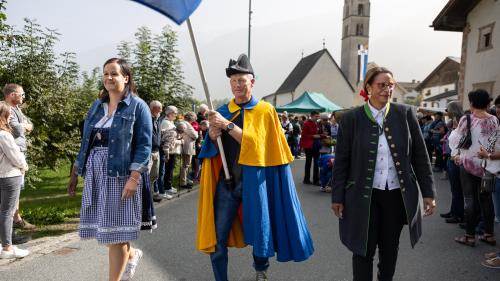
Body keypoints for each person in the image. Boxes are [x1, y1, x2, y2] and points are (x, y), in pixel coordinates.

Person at [196, 54, 314, 281]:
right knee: (217, 237)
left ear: (252, 82)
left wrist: (227, 125)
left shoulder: (265, 111)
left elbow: (259, 147)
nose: (237, 85)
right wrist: (211, 136)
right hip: (226, 183)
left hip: (256, 181)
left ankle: (261, 270)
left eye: (242, 80)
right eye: (234, 81)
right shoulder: (222, 110)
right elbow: (210, 149)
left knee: (261, 231)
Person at [331, 67, 436, 281]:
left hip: (395, 195)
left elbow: (420, 156)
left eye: (390, 85)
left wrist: (429, 193)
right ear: (368, 87)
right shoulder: (351, 119)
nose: (387, 89)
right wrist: (337, 197)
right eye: (381, 85)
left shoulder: (405, 113)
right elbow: (341, 162)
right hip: (362, 196)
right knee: (363, 248)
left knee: (390, 248)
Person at [67, 58, 154, 281]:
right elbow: (86, 142)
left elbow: (145, 145)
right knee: (107, 230)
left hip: (120, 174)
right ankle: (132, 254)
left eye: (114, 74)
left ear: (126, 77)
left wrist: (134, 177)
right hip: (96, 172)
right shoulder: (97, 106)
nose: (108, 78)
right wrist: (76, 172)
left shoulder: (138, 106)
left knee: (115, 234)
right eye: (106, 73)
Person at [449, 89, 498, 247]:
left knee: (469, 199)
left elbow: (455, 139)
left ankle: (469, 236)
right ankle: (488, 235)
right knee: (486, 200)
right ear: (487, 103)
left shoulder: (467, 119)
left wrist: (456, 154)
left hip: (469, 163)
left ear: (471, 103)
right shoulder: (494, 120)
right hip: (487, 164)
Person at [2, 84, 35, 244]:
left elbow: (30, 124)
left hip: (18, 154)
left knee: (14, 195)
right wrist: (24, 127)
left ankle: (14, 225)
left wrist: (25, 126)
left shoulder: (17, 109)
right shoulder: (5, 109)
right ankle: (10, 237)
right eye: (22, 94)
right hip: (13, 157)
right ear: (12, 94)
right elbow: (16, 129)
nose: (23, 97)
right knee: (9, 198)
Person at [0, 101, 29, 259]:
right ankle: (8, 247)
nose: (11, 116)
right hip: (10, 176)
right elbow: (15, 156)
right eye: (9, 114)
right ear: (3, 115)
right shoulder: (4, 135)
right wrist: (24, 166)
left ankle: (4, 245)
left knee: (2, 211)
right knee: (7, 212)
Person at [440, 101, 464, 224]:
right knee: (454, 189)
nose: (446, 112)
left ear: (453, 110)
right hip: (451, 158)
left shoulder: (461, 121)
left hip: (456, 159)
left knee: (457, 189)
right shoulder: (454, 122)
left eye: (448, 109)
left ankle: (458, 214)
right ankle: (454, 211)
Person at [159, 105, 180, 199]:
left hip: (172, 149)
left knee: (170, 168)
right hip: (168, 150)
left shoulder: (170, 122)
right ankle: (166, 187)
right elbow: (167, 139)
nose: (176, 115)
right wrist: (179, 141)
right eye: (174, 113)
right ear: (170, 113)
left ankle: (168, 186)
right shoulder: (166, 123)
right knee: (167, 169)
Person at [300, 111, 321, 185]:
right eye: (316, 116)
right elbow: (303, 135)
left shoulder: (317, 124)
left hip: (315, 146)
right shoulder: (306, 124)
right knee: (308, 163)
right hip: (309, 146)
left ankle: (316, 180)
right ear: (311, 116)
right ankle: (306, 179)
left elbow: (317, 134)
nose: (317, 118)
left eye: (318, 116)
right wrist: (313, 136)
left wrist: (323, 135)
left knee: (316, 163)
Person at [180, 112, 198, 190]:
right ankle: (183, 182)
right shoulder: (187, 124)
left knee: (186, 165)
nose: (194, 119)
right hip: (187, 146)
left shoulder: (184, 123)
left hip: (185, 146)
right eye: (194, 118)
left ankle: (185, 180)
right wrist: (196, 133)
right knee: (186, 165)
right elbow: (195, 135)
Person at [149, 101, 162, 193]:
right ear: (152, 108)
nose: (161, 110)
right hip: (149, 151)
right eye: (159, 108)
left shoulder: (158, 120)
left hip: (157, 151)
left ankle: (150, 193)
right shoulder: (147, 119)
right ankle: (144, 196)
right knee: (147, 175)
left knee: (155, 175)